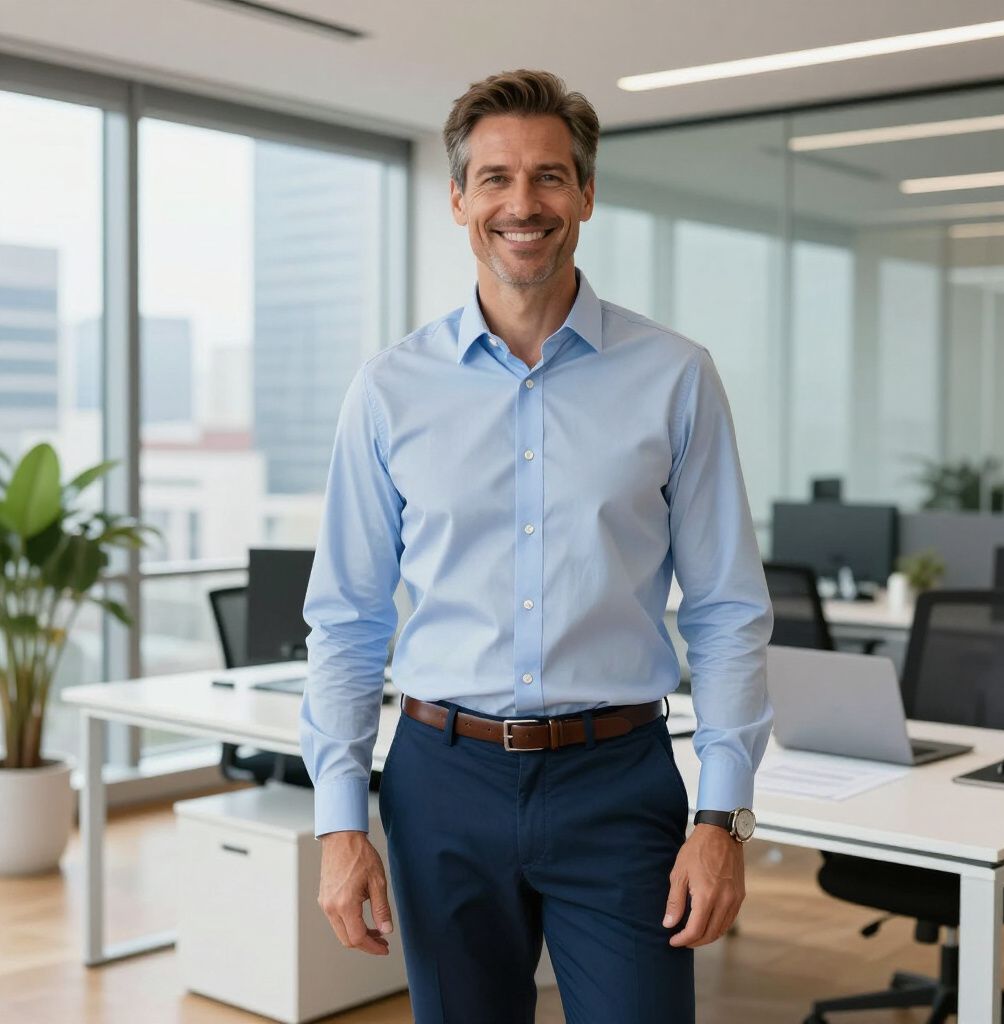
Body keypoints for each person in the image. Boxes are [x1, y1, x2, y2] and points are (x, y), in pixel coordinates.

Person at [299, 69, 774, 1024]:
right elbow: (347, 619)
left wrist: (721, 816)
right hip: (441, 785)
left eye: (551, 177)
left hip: (619, 781)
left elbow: (725, 610)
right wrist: (339, 822)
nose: (524, 204)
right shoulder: (389, 390)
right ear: (459, 200)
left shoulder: (675, 377)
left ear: (587, 194)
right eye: (497, 179)